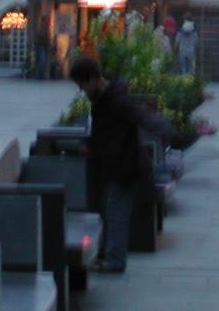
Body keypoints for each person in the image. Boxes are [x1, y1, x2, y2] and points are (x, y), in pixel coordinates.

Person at [69, 56, 169, 275]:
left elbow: (141, 116)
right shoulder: (102, 100)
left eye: (82, 84)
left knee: (115, 212)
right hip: (116, 166)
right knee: (110, 209)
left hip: (126, 166)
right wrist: (91, 146)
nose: (81, 90)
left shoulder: (116, 101)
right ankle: (109, 256)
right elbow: (104, 132)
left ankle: (115, 261)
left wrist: (165, 127)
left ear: (94, 79)